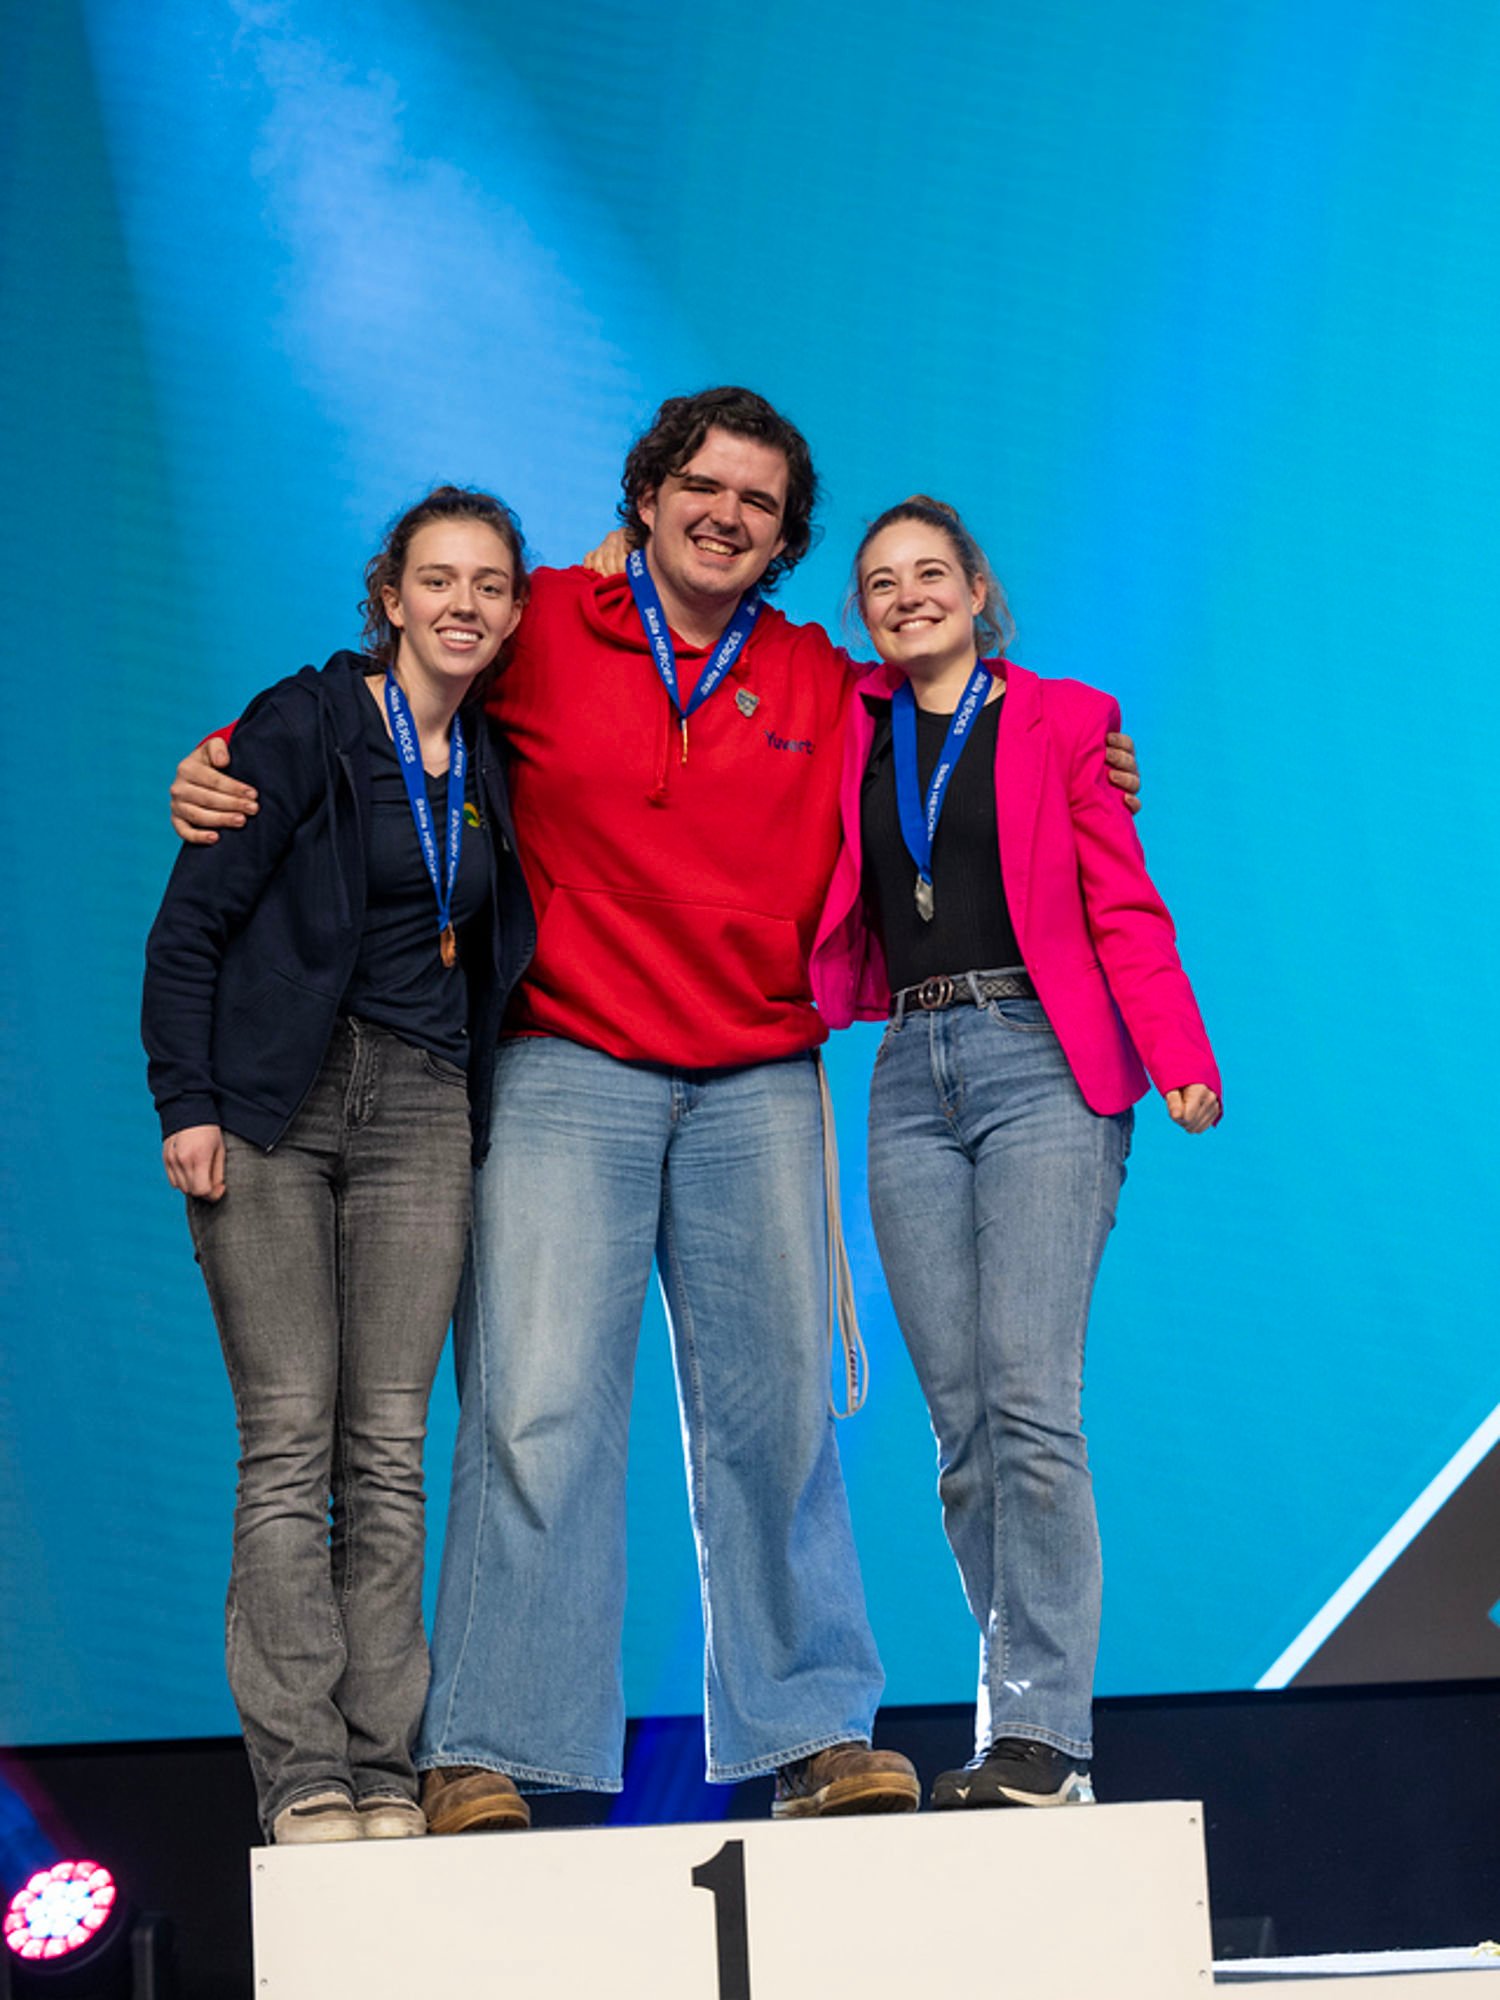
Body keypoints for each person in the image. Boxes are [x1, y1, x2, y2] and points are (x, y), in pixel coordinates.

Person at [167, 392, 1144, 1828]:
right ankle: (489, 1742)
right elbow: (388, 695)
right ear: (646, 495)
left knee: (778, 1418)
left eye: (760, 502)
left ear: (785, 539)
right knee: (532, 1405)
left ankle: (812, 1730)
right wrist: (223, 755)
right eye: (703, 485)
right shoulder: (546, 623)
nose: (726, 515)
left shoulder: (819, 677)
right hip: (570, 1059)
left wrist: (1088, 755)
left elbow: (964, 719)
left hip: (759, 1074)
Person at [810, 496, 1220, 1810]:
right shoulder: (847, 723)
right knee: (964, 1431)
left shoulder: (1068, 721)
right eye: (882, 581)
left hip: (1041, 1059)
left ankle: (1043, 1735)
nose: (908, 595)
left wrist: (1179, 1052)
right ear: (863, 612)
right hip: (906, 1073)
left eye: (932, 572)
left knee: (1031, 1402)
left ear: (979, 591)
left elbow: (1123, 904)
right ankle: (1024, 1730)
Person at [143, 487, 534, 1843]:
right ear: (389, 598)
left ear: (515, 612)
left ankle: (382, 1766)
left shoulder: (490, 762)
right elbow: (190, 926)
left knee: (387, 1455)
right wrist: (186, 1101)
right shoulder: (303, 723)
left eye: (490, 584)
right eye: (438, 579)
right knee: (287, 1445)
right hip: (273, 1109)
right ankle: (303, 1770)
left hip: (422, 1112)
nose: (463, 604)